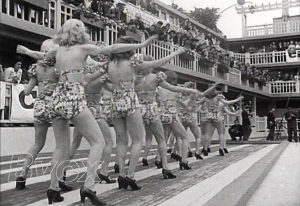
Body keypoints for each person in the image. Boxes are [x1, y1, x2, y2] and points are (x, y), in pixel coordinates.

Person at [41, 19, 157, 204]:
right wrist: (142, 44)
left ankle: (53, 188)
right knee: (99, 142)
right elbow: (114, 48)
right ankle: (88, 187)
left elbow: (43, 63)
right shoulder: (84, 49)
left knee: (61, 146)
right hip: (74, 96)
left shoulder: (56, 50)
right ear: (80, 32)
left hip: (57, 97)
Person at [15, 39, 72, 192]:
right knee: (63, 145)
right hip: (55, 105)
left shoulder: (36, 68)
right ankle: (59, 179)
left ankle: (22, 174)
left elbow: (27, 91)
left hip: (40, 105)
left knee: (38, 143)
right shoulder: (59, 67)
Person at [134, 52, 198, 178]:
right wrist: (190, 92)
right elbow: (181, 98)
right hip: (169, 114)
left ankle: (132, 169)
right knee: (181, 137)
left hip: (148, 110)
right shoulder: (158, 80)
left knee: (143, 139)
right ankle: (180, 162)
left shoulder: (136, 80)